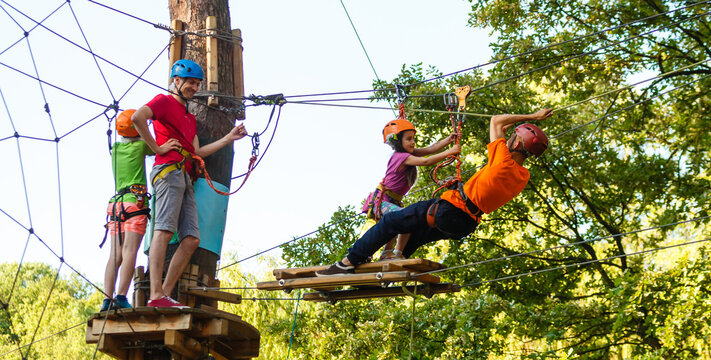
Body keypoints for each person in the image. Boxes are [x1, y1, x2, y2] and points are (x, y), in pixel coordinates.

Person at [316, 108, 553, 276]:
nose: (507, 138)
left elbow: (497, 121)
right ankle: (383, 275)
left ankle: (349, 261)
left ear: (515, 144)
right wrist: (458, 187)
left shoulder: (502, 160)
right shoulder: (522, 177)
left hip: (450, 210)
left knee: (391, 222)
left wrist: (533, 117)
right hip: (465, 223)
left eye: (511, 137)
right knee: (413, 236)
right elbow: (484, 192)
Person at [132, 59, 248, 308]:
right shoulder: (163, 101)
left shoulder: (189, 118)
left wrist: (229, 138)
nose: (194, 88)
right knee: (163, 230)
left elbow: (197, 151)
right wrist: (157, 148)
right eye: (190, 83)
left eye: (196, 84)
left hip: (184, 174)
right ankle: (155, 295)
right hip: (168, 171)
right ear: (176, 81)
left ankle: (163, 293)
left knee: (192, 238)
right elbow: (137, 118)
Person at [362, 118, 459, 261]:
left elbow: (429, 149)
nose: (412, 142)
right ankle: (394, 254)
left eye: (413, 138)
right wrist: (450, 151)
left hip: (391, 200)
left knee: (396, 225)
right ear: (397, 141)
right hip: (381, 200)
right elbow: (426, 161)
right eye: (408, 139)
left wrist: (448, 140)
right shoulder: (400, 157)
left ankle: (387, 254)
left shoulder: (409, 153)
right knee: (405, 219)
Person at [101, 109, 154, 311]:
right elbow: (157, 148)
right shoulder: (142, 146)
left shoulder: (115, 149)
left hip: (116, 205)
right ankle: (121, 296)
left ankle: (107, 299)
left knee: (115, 254)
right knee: (130, 251)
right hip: (135, 203)